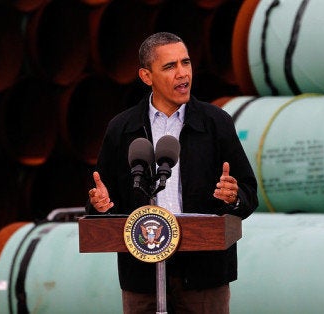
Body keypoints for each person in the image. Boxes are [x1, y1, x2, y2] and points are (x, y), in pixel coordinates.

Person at [86, 32, 258, 314]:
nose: (182, 74)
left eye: (186, 63)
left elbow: (249, 195)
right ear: (146, 76)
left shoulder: (216, 123)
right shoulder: (122, 128)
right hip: (142, 279)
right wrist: (100, 206)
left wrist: (234, 197)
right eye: (170, 67)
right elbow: (100, 201)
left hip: (204, 278)